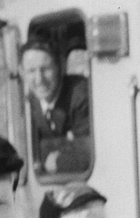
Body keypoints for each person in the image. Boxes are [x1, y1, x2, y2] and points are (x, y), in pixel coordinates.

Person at [20, 39, 91, 174]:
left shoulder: (81, 95)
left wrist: (59, 160)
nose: (39, 79)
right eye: (31, 71)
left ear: (60, 67)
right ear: (22, 73)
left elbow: (88, 150)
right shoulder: (28, 105)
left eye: (45, 69)